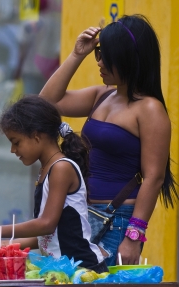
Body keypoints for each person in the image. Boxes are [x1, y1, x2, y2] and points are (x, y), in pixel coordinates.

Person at [39, 14, 178, 266]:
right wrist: (77, 54)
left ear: (127, 59)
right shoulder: (101, 96)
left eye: (106, 57)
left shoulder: (150, 110)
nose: (100, 62)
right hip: (81, 212)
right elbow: (46, 103)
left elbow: (154, 177)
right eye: (98, 54)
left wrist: (134, 236)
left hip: (117, 221)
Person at [0, 96, 108, 273]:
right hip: (59, 270)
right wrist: (3, 245)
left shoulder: (61, 168)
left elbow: (47, 224)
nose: (12, 150)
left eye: (16, 142)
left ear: (36, 136)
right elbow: (46, 236)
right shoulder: (45, 171)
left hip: (81, 269)